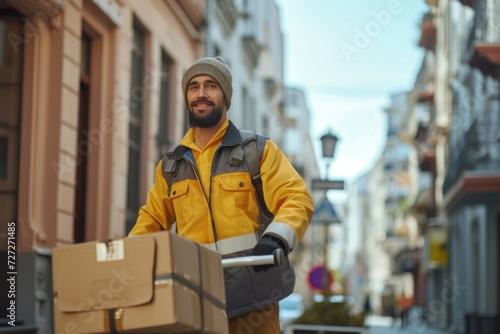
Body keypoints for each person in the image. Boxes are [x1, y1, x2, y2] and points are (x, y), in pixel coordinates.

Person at [129, 56, 314, 334]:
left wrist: (275, 239)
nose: (201, 94)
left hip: (254, 301)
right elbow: (150, 221)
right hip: (195, 301)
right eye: (193, 87)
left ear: (225, 98)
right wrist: (125, 259)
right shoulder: (171, 166)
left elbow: (296, 198)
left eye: (210, 86)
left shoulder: (257, 151)